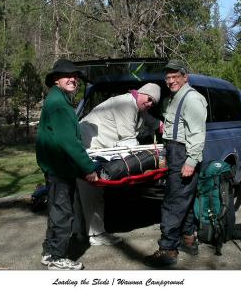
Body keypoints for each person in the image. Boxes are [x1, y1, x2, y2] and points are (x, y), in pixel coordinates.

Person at [77, 83, 162, 246]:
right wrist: (147, 159)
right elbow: (129, 141)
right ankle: (96, 234)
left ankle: (79, 231)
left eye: (153, 103)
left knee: (81, 192)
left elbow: (148, 119)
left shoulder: (135, 104)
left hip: (91, 147)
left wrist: (160, 126)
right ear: (141, 93)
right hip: (89, 148)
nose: (150, 103)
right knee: (93, 191)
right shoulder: (126, 105)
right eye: (149, 99)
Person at [36, 58, 98, 270]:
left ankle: (49, 252)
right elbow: (69, 142)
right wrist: (89, 168)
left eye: (75, 76)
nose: (73, 79)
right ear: (55, 80)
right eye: (67, 75)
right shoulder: (60, 105)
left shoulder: (57, 99)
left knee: (56, 211)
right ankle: (56, 257)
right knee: (63, 213)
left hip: (55, 168)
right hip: (60, 169)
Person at [144, 60, 207, 267]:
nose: (170, 81)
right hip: (175, 153)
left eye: (175, 77)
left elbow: (197, 134)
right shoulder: (174, 99)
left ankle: (168, 250)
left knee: (172, 203)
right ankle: (189, 240)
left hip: (184, 155)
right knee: (184, 201)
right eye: (168, 78)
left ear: (185, 77)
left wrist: (190, 161)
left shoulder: (192, 99)